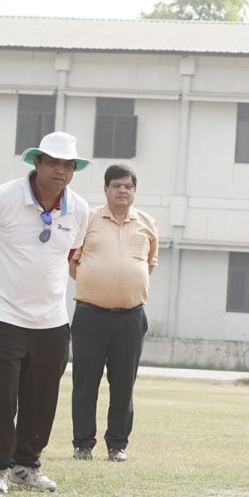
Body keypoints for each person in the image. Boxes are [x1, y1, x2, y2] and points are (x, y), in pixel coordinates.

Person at [0, 132, 91, 494]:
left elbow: (68, 254)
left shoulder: (79, 209)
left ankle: (27, 465)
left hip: (51, 317)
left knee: (42, 395)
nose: (60, 171)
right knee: (0, 394)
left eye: (68, 165)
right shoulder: (2, 198)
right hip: (2, 312)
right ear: (36, 162)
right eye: (53, 162)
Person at [69, 164, 158, 462]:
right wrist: (94, 281)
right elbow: (72, 261)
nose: (123, 191)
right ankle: (83, 444)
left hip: (131, 317)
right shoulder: (89, 220)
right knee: (86, 382)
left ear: (134, 190)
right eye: (116, 185)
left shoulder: (147, 223)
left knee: (123, 384)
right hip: (90, 314)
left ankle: (117, 445)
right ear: (105, 189)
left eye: (128, 186)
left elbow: (149, 263)